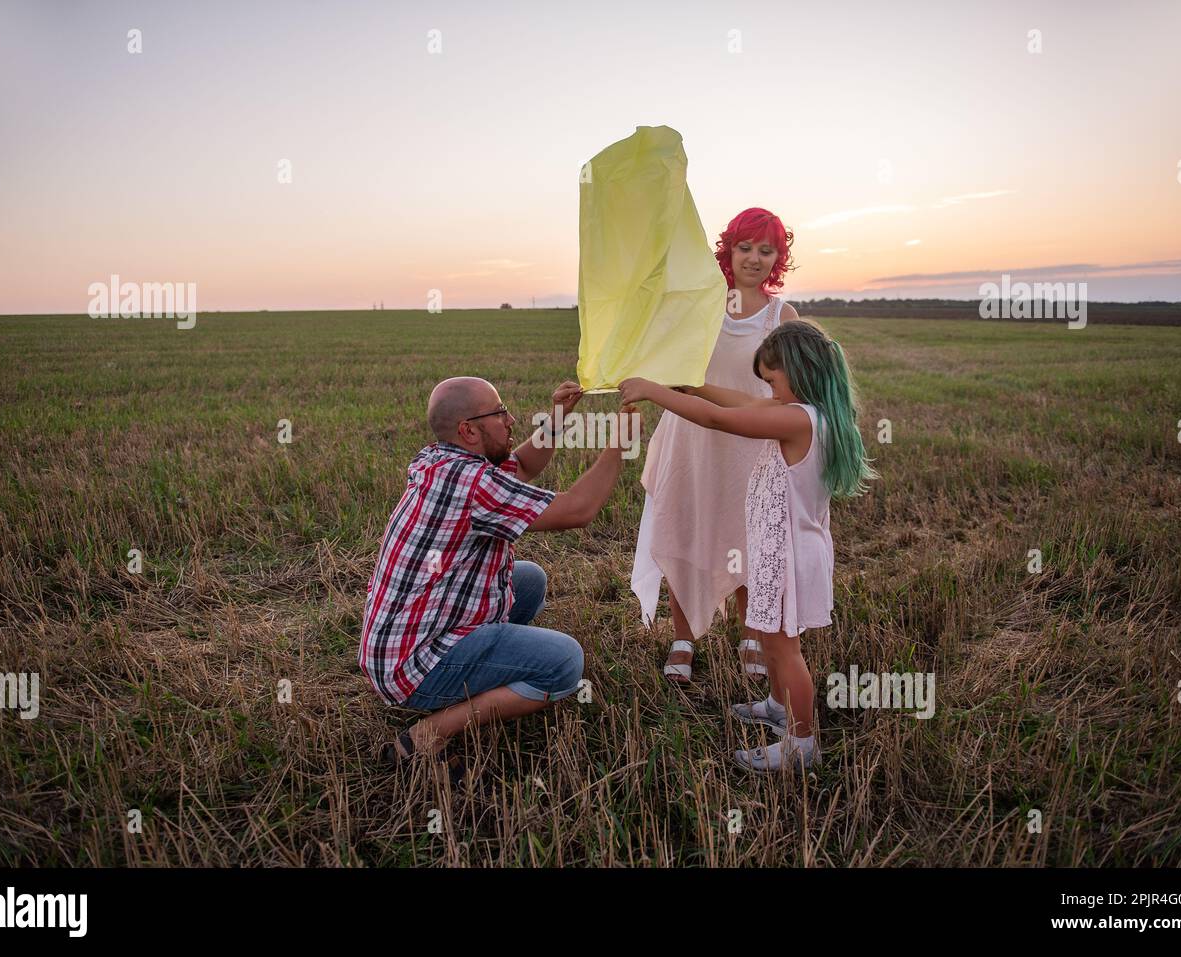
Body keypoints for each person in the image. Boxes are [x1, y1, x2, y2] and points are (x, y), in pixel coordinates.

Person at [621, 320, 877, 773]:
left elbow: (723, 419)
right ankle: (779, 706)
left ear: (798, 372)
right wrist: (694, 387)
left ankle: (801, 743)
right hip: (783, 550)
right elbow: (740, 402)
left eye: (774, 381)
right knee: (778, 644)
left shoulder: (796, 418)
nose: (770, 391)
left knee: (783, 651)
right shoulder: (809, 413)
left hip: (789, 555)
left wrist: (652, 391)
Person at [358, 376, 634, 771]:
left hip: (396, 644)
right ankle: (430, 733)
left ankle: (476, 671)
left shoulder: (440, 460)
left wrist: (558, 416)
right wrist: (620, 443)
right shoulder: (472, 484)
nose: (512, 419)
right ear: (468, 430)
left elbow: (519, 466)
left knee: (529, 580)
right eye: (500, 412)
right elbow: (579, 509)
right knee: (564, 663)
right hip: (410, 668)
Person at [631, 207, 802, 685]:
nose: (753, 258)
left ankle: (751, 635)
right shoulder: (703, 304)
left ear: (778, 258)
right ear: (727, 251)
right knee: (684, 529)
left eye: (766, 250)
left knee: (749, 535)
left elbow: (790, 388)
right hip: (692, 437)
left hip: (751, 442)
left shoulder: (781, 315)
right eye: (744, 247)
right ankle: (682, 637)